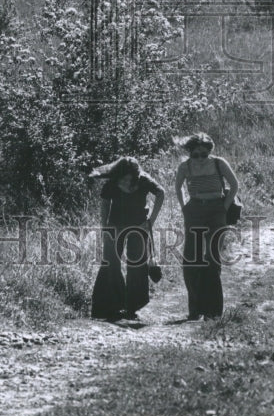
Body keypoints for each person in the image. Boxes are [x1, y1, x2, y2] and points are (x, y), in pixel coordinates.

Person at [90, 156, 164, 322]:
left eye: (129, 179)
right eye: (122, 179)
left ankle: (132, 308)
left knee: (137, 264)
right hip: (115, 225)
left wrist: (151, 221)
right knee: (110, 263)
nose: (125, 182)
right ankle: (109, 307)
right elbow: (104, 204)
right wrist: (105, 227)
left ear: (136, 176)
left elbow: (161, 193)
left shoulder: (144, 180)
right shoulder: (111, 183)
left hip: (139, 226)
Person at [174, 132, 239, 320]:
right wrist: (184, 207)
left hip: (216, 210)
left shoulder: (219, 163)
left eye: (204, 154)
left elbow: (234, 185)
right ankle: (195, 309)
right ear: (190, 153)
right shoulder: (185, 167)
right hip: (194, 210)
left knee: (212, 258)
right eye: (196, 154)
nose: (200, 158)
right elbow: (178, 188)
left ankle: (213, 311)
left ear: (209, 152)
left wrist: (223, 208)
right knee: (192, 259)